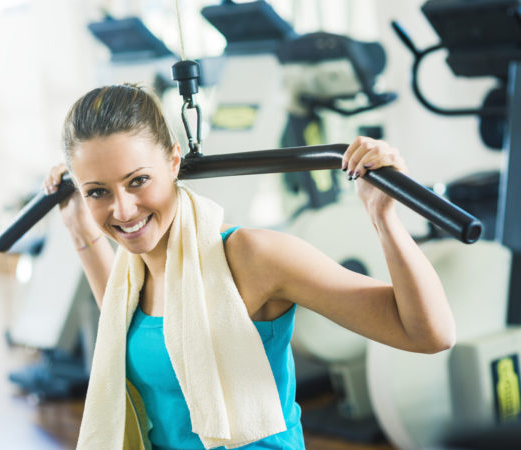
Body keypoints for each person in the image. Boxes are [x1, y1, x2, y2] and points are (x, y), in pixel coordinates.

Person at [44, 84, 455, 450]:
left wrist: (384, 217)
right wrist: (78, 224)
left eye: (137, 181)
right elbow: (118, 327)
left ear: (173, 162)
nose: (122, 209)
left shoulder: (251, 257)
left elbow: (427, 334)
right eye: (97, 191)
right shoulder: (131, 273)